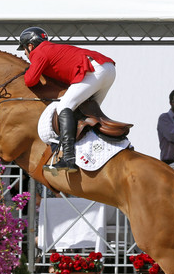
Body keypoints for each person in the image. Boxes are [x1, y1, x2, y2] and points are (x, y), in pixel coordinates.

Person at [17, 26, 116, 172]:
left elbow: (30, 80)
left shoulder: (39, 52)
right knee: (88, 114)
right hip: (108, 69)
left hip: (95, 70)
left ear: (30, 46)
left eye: (24, 49)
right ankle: (97, 150)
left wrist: (27, 71)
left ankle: (68, 158)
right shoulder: (51, 48)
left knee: (64, 107)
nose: (25, 53)